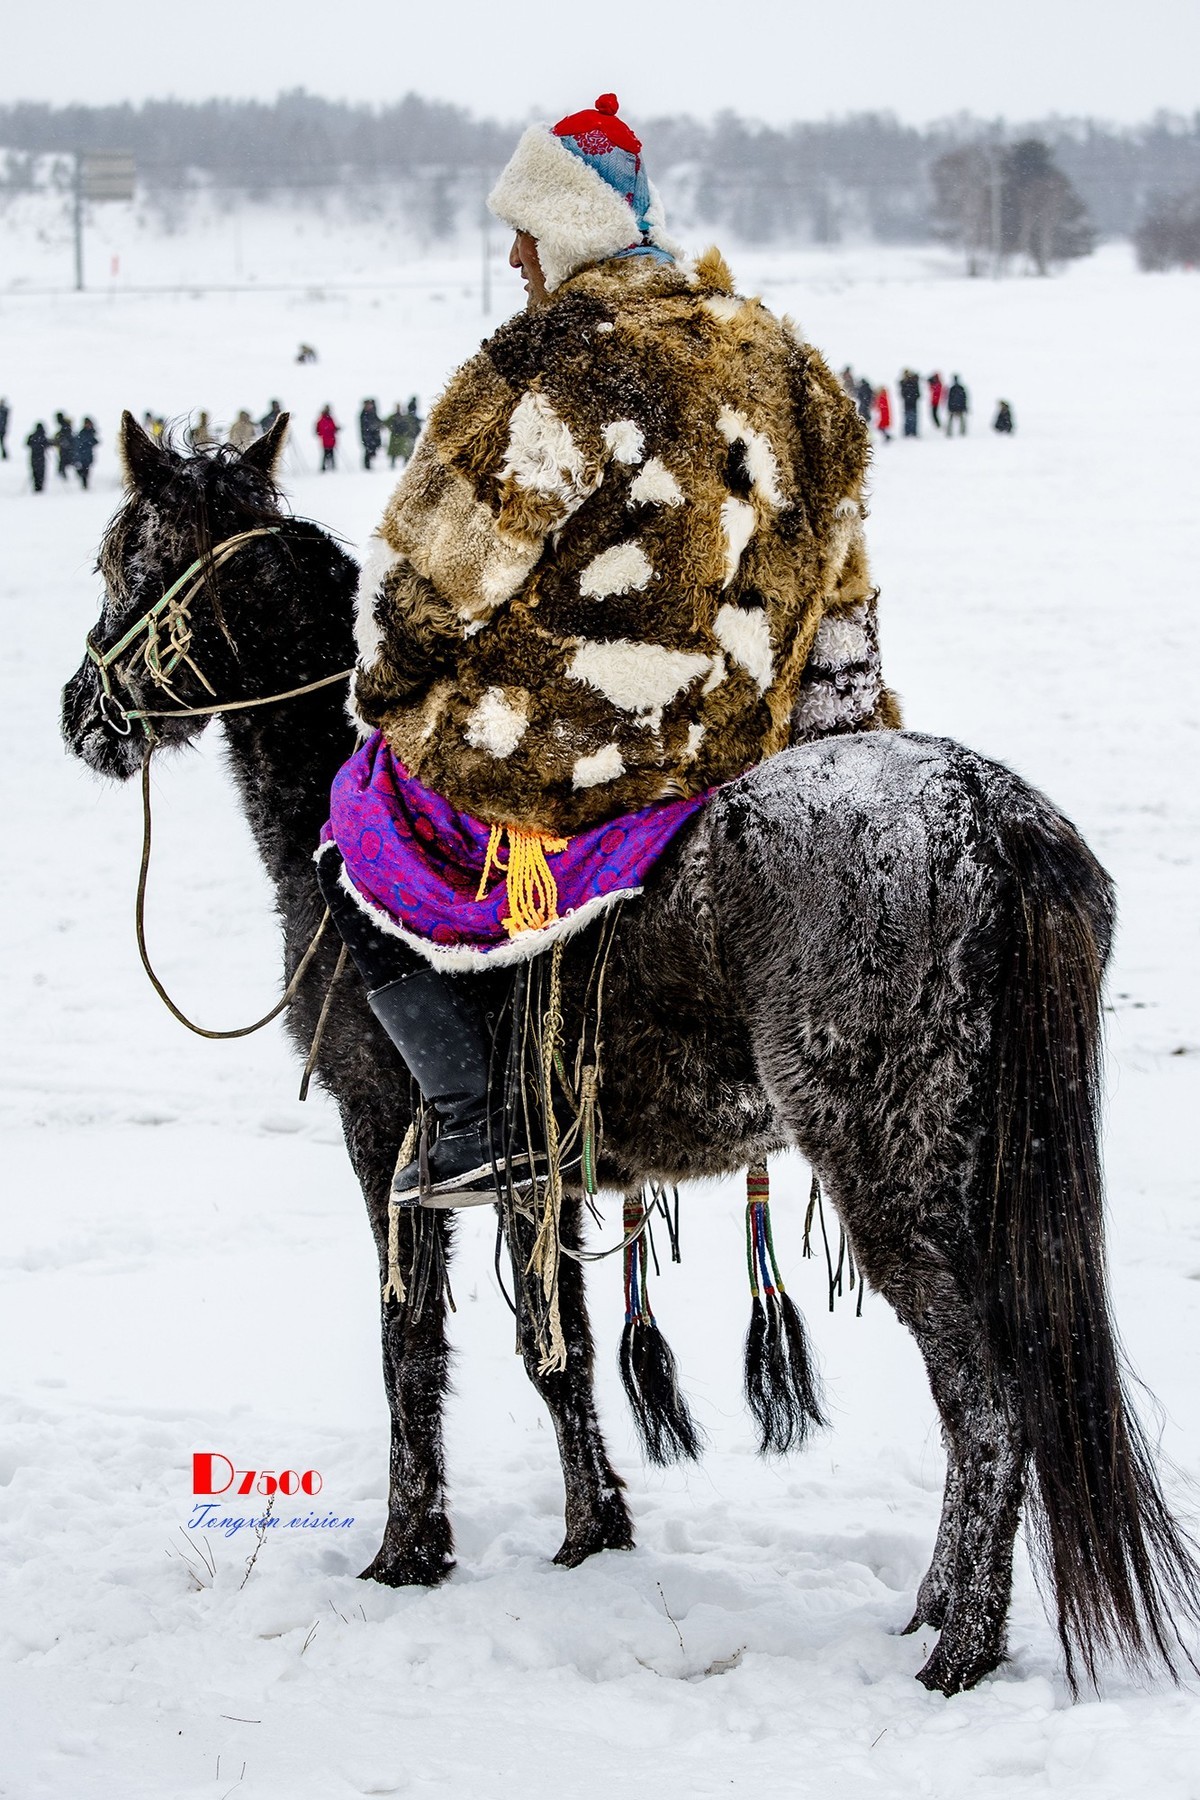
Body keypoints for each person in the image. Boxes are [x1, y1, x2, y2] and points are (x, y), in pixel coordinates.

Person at [319, 92, 899, 1207]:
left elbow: (434, 579)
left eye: (526, 231)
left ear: (571, 231)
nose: (514, 256)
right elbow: (845, 605)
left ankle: (473, 1118)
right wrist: (840, 755)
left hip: (555, 767)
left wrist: (384, 689)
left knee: (355, 826)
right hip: (739, 756)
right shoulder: (784, 357)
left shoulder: (550, 359)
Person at [74, 417, 99, 488]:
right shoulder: (83, 433)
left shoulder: (90, 432)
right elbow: (80, 444)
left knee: (86, 470)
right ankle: (84, 484)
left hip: (88, 455)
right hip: (83, 455)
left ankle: (85, 483)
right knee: (84, 470)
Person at [359, 398, 383, 470]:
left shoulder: (372, 413)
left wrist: (380, 425)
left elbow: (377, 421)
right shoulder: (364, 414)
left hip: (373, 435)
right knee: (367, 450)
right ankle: (367, 466)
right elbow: (365, 426)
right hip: (367, 435)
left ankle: (369, 465)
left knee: (373, 449)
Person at [26, 421, 48, 492]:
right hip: (41, 457)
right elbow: (47, 444)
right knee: (41, 472)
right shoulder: (43, 436)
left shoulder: (32, 436)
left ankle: (36, 486)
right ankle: (40, 486)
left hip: (33, 457)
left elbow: (27, 444)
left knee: (35, 472)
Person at [315, 405, 338, 470]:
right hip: (327, 439)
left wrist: (335, 429)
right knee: (327, 454)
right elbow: (322, 430)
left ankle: (329, 467)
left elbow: (332, 428)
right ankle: (326, 467)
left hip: (330, 439)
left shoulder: (328, 419)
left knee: (329, 454)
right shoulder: (323, 419)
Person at [899, 368, 921, 437]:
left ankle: (912, 432)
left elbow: (917, 393)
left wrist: (912, 397)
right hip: (908, 404)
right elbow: (903, 393)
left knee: (912, 418)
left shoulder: (913, 382)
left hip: (912, 403)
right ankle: (908, 432)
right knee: (908, 418)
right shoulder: (905, 383)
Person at [53, 412, 75, 479]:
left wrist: (59, 440)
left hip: (64, 446)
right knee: (65, 459)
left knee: (63, 459)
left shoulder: (64, 425)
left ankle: (62, 472)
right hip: (65, 445)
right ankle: (62, 472)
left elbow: (64, 435)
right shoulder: (65, 425)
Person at [0, 396, 9, 460]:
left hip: (2, 429)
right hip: (2, 429)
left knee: (2, 442)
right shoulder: (4, 410)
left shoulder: (4, 410)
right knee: (2, 443)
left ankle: (4, 455)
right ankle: (4, 455)